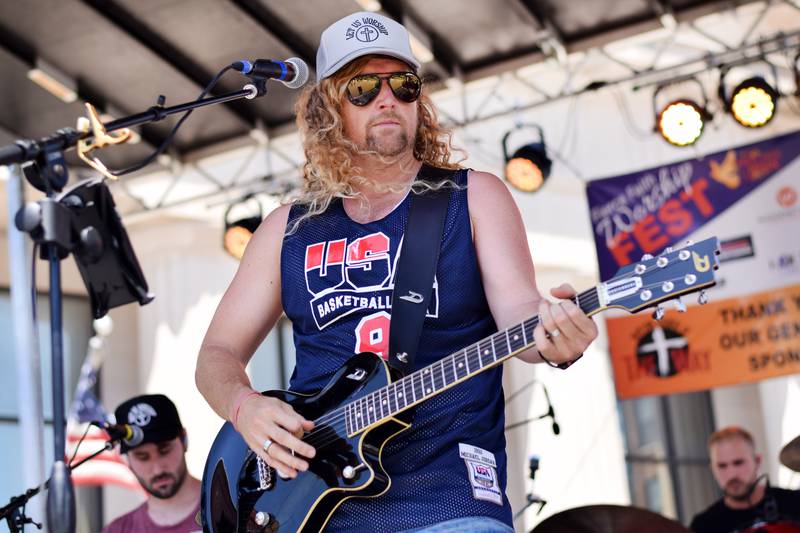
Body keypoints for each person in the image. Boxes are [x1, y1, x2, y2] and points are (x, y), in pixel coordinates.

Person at [195, 11, 597, 533]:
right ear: (329, 109)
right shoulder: (285, 230)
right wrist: (245, 407)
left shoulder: (472, 197)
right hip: (313, 511)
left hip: (450, 500)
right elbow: (215, 357)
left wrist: (554, 335)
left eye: (403, 84)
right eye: (363, 86)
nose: (387, 98)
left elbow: (521, 315)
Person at [102, 394, 201, 533]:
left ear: (184, 440)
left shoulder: (233, 506)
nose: (158, 469)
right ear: (127, 459)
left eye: (164, 450)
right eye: (142, 457)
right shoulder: (118, 530)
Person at [690, 426, 800, 533]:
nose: (731, 474)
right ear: (712, 469)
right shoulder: (704, 526)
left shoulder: (794, 502)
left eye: (738, 463)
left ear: (757, 461)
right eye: (722, 466)